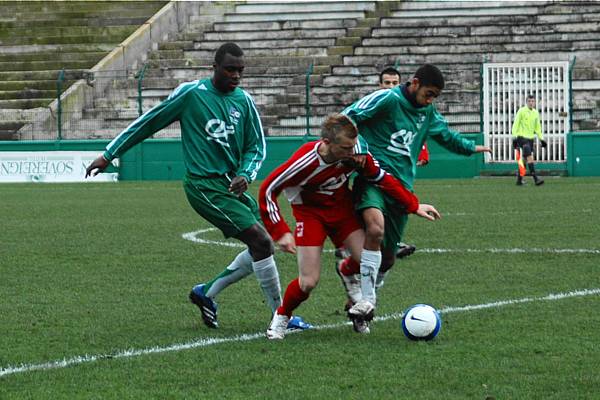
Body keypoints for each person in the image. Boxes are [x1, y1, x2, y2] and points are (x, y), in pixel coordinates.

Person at [85, 42, 310, 332]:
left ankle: (206, 293)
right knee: (262, 242)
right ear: (214, 67)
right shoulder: (192, 94)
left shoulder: (244, 101)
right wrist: (109, 154)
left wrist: (246, 173)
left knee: (260, 245)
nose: (236, 76)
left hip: (232, 186)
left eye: (240, 70)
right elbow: (148, 123)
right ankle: (282, 317)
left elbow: (256, 147)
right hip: (204, 186)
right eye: (230, 69)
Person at [259, 114, 440, 339]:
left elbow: (383, 179)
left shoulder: (356, 154)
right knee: (308, 282)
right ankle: (281, 316)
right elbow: (267, 190)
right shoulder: (306, 161)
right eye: (346, 148)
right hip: (311, 215)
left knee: (369, 256)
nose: (352, 152)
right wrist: (280, 232)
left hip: (343, 213)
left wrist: (414, 205)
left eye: (353, 146)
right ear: (327, 143)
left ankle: (351, 279)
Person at [341, 64, 492, 319]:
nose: (430, 99)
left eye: (435, 96)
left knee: (387, 259)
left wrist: (470, 148)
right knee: (375, 229)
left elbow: (445, 136)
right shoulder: (388, 99)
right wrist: (360, 149)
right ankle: (367, 301)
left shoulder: (428, 112)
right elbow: (348, 117)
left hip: (401, 188)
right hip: (373, 178)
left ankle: (355, 287)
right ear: (414, 83)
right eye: (428, 93)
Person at [512, 94, 547, 186]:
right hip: (522, 138)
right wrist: (514, 137)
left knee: (524, 159)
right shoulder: (521, 111)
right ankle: (536, 179)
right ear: (526, 102)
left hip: (530, 139)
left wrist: (541, 139)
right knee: (530, 157)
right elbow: (515, 124)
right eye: (529, 101)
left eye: (533, 101)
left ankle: (519, 180)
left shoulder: (535, 113)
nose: (531, 103)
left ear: (535, 102)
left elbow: (537, 128)